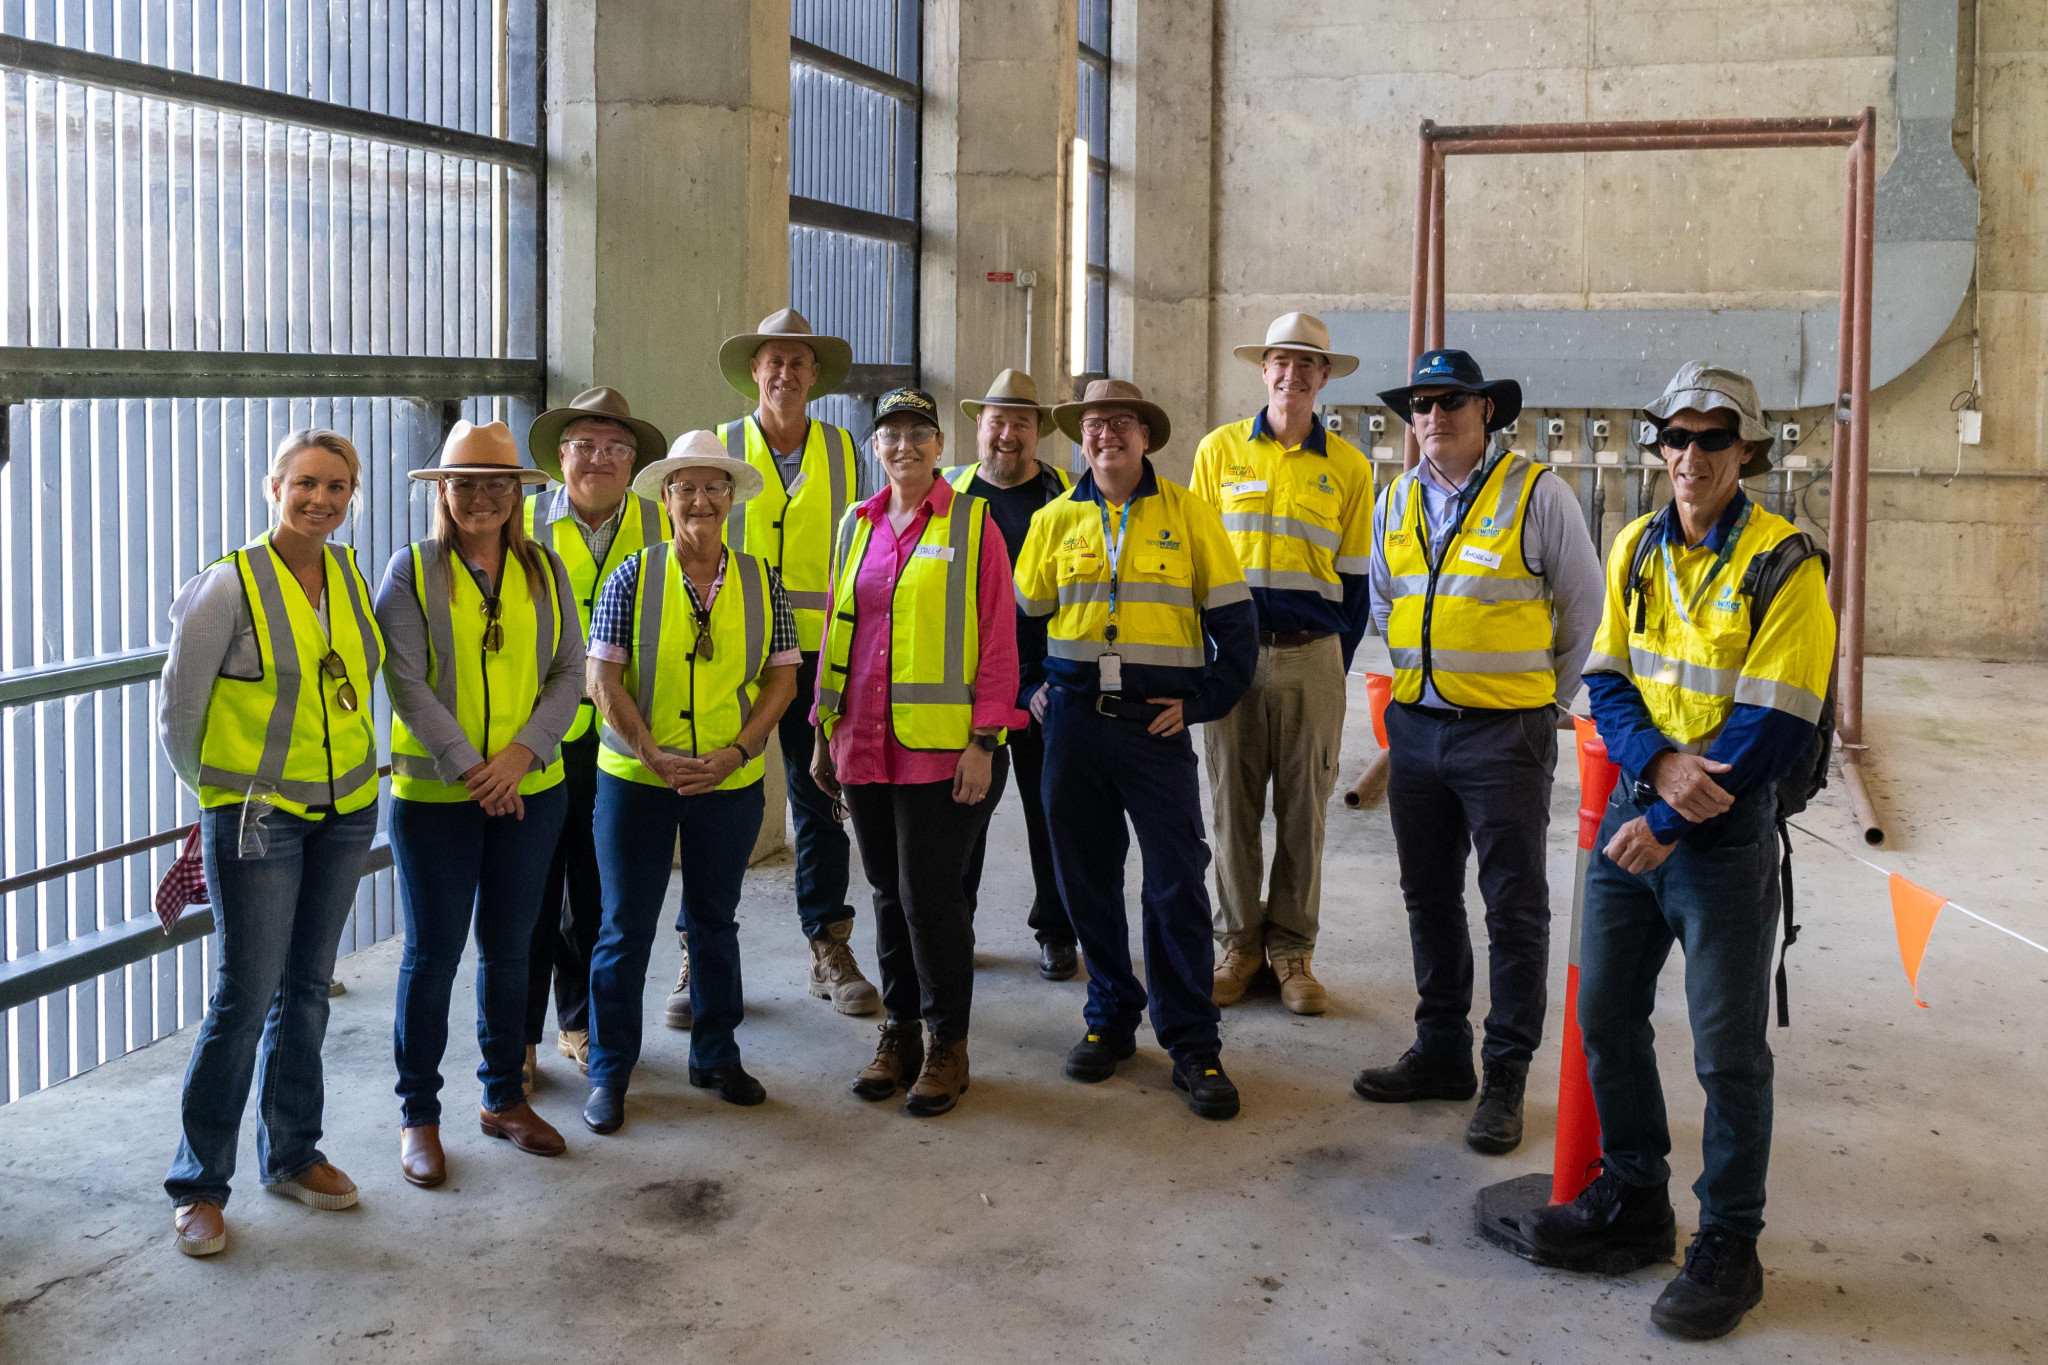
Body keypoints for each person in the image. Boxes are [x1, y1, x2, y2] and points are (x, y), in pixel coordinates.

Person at [1526, 363, 1835, 1341]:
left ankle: (1727, 1246)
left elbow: (1776, 721)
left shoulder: (1785, 563)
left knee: (1727, 1054)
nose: (1689, 456)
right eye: (1675, 437)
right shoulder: (1631, 547)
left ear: (1744, 450)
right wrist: (1655, 770)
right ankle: (1633, 1197)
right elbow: (1604, 677)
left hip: (1721, 838)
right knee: (1604, 1012)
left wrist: (1669, 817)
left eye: (1711, 439)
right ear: (1657, 444)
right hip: (1639, 807)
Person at [1353, 349, 1603, 1156]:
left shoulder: (1537, 494)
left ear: (1487, 411)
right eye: (1421, 405)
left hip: (1506, 736)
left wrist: (1545, 702)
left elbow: (1583, 609)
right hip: (1417, 731)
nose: (1435, 417)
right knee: (1429, 897)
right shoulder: (1394, 500)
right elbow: (1386, 601)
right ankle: (1440, 1051)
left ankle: (1505, 1072)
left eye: (1453, 401)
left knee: (1514, 908)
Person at [157, 428, 388, 1256]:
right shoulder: (227, 586)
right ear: (274, 487)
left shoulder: (350, 575)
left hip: (348, 808)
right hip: (256, 816)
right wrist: (221, 796)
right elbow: (180, 717)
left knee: (309, 989)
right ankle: (198, 1183)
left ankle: (292, 1152)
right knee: (244, 998)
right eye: (306, 483)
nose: (321, 499)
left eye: (337, 487)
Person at [1014, 379, 1257, 1120]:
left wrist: (1200, 704)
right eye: (1093, 425)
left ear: (1145, 435)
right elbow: (1021, 620)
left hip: (1155, 729)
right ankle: (1111, 1013)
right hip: (1075, 726)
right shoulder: (1054, 520)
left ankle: (1192, 1042)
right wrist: (1031, 689)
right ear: (1080, 438)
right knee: (1084, 878)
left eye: (1120, 422)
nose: (1106, 435)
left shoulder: (1190, 516)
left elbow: (1238, 632)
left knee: (1176, 880)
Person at [378, 420, 583, 1188]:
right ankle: (418, 1115)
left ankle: (503, 1098)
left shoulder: (546, 570)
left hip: (532, 790)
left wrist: (523, 752)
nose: (482, 497)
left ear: (520, 492)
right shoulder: (412, 571)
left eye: (498, 483)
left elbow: (569, 670)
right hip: (437, 797)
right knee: (431, 956)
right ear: (443, 492)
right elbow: (405, 680)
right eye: (464, 483)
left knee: (510, 948)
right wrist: (471, 766)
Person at [811, 388, 1027, 1117]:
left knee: (929, 896)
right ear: (875, 447)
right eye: (890, 434)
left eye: (918, 434)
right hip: (862, 741)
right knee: (882, 890)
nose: (903, 445)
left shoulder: (974, 523)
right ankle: (899, 1030)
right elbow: (839, 629)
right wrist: (821, 729)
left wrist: (985, 740)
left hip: (941, 750)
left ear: (940, 446)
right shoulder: (856, 523)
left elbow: (1000, 639)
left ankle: (947, 1043)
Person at [579, 430, 802, 1136]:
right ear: (666, 499)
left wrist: (739, 751)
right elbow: (600, 678)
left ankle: (716, 1054)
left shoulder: (763, 580)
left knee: (713, 921)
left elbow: (782, 677)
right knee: (624, 928)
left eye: (713, 487)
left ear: (731, 499)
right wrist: (648, 752)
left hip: (726, 779)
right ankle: (610, 1069)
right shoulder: (633, 576)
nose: (700, 500)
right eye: (685, 488)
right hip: (636, 780)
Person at [1192, 312, 1375, 1015]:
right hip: (1231, 661)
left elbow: (1356, 585)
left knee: (1306, 809)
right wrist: (1209, 659)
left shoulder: (1351, 467)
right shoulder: (1217, 453)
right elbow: (1194, 567)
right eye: (1280, 360)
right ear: (1262, 370)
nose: (1291, 374)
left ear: (1324, 377)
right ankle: (1237, 944)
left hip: (1314, 657)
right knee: (1231, 809)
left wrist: (1329, 660)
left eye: (1307, 363)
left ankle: (1293, 951)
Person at [714, 309, 878, 1015]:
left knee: (821, 798)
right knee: (719, 803)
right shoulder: (718, 446)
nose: (784, 374)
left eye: (797, 363)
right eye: (772, 361)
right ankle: (703, 952)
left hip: (818, 654)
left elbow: (865, 558)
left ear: (814, 376)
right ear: (755, 370)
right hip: (729, 652)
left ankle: (829, 946)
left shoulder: (845, 451)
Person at [520, 387, 668, 1082]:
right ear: (559, 456)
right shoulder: (521, 523)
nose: (598, 459)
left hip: (620, 733)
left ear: (634, 460)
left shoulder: (657, 520)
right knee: (529, 891)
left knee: (596, 887)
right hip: (536, 734)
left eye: (615, 448)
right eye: (584, 445)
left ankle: (577, 1021)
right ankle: (516, 1038)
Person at [938, 369, 1079, 981]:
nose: (1007, 434)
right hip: (972, 689)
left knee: (1054, 816)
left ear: (1038, 433)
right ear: (978, 427)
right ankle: (955, 928)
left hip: (1049, 688)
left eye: (1021, 423)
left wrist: (1057, 677)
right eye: (997, 421)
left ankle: (1057, 930)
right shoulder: (948, 495)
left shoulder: (1072, 496)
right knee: (962, 816)